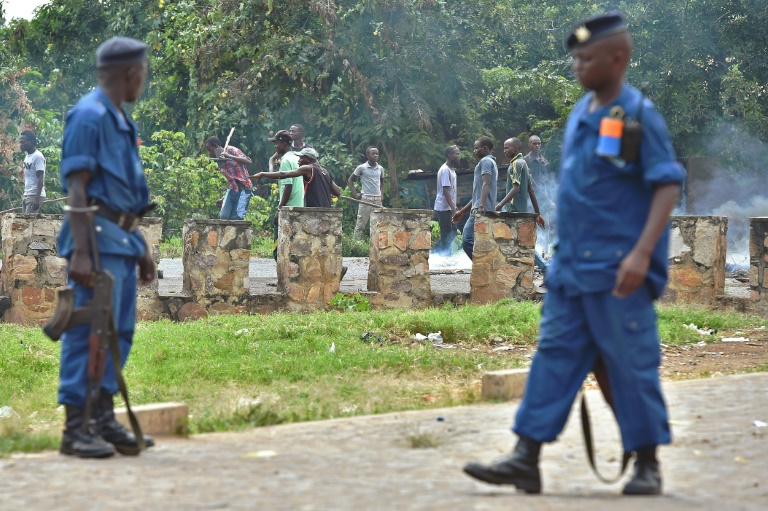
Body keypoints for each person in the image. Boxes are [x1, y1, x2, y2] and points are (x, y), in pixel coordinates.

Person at [463, 12, 685, 495]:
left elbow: (665, 184)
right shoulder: (585, 113)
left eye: (587, 58)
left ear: (618, 58)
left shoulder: (634, 115)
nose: (578, 66)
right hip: (571, 269)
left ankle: (648, 463)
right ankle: (526, 457)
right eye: (576, 59)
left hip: (616, 268)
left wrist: (642, 254)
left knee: (629, 361)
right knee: (555, 355)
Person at [56, 36, 158, 459]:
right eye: (143, 73)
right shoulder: (89, 115)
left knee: (117, 332)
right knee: (88, 331)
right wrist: (80, 252)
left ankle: (102, 418)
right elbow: (77, 189)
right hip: (95, 244)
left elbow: (123, 197)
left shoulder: (119, 118)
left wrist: (141, 245)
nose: (144, 81)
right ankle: (75, 428)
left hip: (120, 241)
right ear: (130, 73)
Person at [254, 147, 348, 279]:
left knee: (305, 246)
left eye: (301, 158)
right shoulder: (325, 171)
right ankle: (336, 270)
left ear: (308, 159)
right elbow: (337, 192)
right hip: (327, 214)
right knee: (320, 246)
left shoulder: (308, 168)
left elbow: (284, 174)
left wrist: (264, 174)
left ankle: (306, 275)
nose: (298, 161)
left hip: (314, 214)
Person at [495, 137, 548, 276]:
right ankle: (542, 268)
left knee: (516, 242)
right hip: (520, 211)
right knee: (523, 243)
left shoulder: (516, 164)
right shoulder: (523, 163)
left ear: (516, 148)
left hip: (513, 211)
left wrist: (499, 205)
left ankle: (545, 267)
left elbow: (516, 188)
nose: (504, 151)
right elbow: (531, 190)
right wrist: (538, 214)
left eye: (507, 148)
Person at [452, 136, 497, 260]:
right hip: (480, 207)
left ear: (485, 149)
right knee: (482, 242)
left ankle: (485, 266)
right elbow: (477, 195)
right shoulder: (489, 162)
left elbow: (486, 183)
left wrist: (481, 206)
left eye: (476, 148)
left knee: (467, 241)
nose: (474, 151)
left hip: (480, 209)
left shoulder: (486, 162)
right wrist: (462, 211)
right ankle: (487, 265)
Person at [269, 129, 304, 258]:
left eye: (277, 143)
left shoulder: (285, 161)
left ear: (284, 144)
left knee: (279, 250)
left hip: (287, 209)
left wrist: (279, 209)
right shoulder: (297, 158)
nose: (275, 146)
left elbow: (288, 187)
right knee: (293, 247)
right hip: (298, 206)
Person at [204, 136, 253, 220]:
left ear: (216, 146)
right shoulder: (219, 161)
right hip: (232, 190)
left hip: (244, 189)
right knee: (224, 216)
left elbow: (249, 161)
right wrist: (224, 198)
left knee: (237, 217)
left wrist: (230, 156)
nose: (209, 153)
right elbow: (232, 181)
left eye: (209, 150)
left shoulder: (231, 150)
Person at [348, 146, 386, 239]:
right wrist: (355, 194)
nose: (375, 155)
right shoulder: (362, 168)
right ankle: (355, 244)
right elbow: (350, 180)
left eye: (377, 154)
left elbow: (382, 182)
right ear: (367, 155)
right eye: (373, 153)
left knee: (379, 224)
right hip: (366, 199)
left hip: (377, 199)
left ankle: (377, 244)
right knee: (360, 224)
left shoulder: (380, 168)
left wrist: (381, 194)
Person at [433, 145, 460, 254]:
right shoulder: (445, 170)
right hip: (443, 208)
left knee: (453, 232)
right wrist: (453, 209)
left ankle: (438, 252)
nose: (459, 156)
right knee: (447, 234)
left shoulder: (451, 170)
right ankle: (440, 254)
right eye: (457, 154)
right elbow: (446, 191)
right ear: (450, 155)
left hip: (449, 207)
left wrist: (454, 207)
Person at [19, 130, 46, 214]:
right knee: (24, 220)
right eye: (20, 142)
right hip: (27, 194)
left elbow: (40, 178)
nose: (21, 144)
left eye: (23, 142)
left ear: (31, 142)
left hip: (34, 195)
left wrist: (37, 198)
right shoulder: (27, 156)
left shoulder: (38, 156)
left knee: (28, 221)